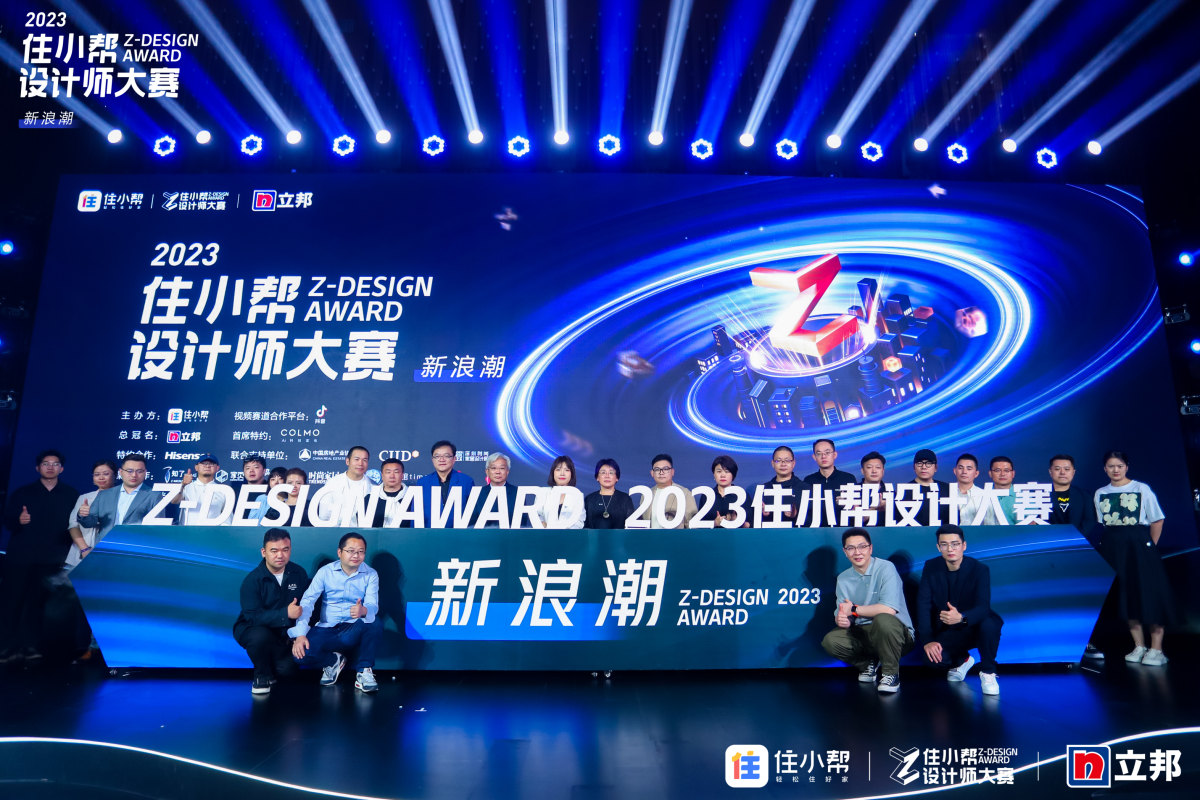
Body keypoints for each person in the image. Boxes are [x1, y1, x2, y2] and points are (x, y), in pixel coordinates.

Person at [1093, 451, 1173, 666]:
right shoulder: (1101, 492)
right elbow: (1103, 522)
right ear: (1105, 469)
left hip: (1139, 544)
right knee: (1126, 596)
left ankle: (1157, 649)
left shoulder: (1141, 488)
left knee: (1150, 594)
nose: (1115, 470)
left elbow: (1157, 520)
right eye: (1111, 466)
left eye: (1119, 466)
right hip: (1113, 546)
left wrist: (1149, 547)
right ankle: (1139, 645)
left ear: (1126, 467)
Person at [0, 450, 80, 663]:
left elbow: (75, 526)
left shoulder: (71, 494)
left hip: (51, 558)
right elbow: (7, 521)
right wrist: (19, 520)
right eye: (46, 463)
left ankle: (31, 646)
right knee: (11, 603)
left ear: (61, 468)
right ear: (38, 467)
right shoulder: (22, 493)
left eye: (55, 464)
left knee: (38, 605)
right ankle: (6, 647)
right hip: (20, 557)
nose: (50, 467)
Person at [821, 528, 915, 693]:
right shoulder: (843, 578)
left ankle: (891, 674)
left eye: (862, 546)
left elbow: (888, 609)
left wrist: (854, 610)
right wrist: (842, 620)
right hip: (864, 633)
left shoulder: (886, 568)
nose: (857, 552)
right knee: (830, 640)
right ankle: (867, 664)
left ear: (870, 548)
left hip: (897, 635)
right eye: (851, 548)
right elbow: (844, 613)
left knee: (883, 619)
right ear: (845, 552)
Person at [916, 524, 1003, 695]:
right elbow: (923, 604)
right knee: (933, 659)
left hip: (974, 624)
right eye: (944, 544)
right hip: (949, 628)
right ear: (938, 547)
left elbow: (983, 607)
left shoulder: (979, 570)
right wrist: (927, 640)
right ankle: (962, 660)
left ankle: (988, 672)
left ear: (964, 545)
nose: (950, 549)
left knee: (989, 623)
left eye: (955, 544)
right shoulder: (931, 567)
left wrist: (962, 617)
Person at [289, 532, 381, 692]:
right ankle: (333, 661)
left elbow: (373, 604)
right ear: (340, 552)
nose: (356, 555)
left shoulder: (371, 574)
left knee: (374, 621)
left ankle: (364, 671)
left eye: (360, 552)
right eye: (351, 551)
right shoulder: (325, 572)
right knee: (300, 655)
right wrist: (301, 633)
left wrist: (364, 610)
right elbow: (308, 602)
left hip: (352, 629)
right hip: (326, 629)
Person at [234, 528, 310, 694]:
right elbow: (252, 617)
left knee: (288, 671)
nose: (280, 555)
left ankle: (272, 669)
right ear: (264, 552)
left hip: (284, 634)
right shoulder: (253, 580)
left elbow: (307, 607)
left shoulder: (299, 573)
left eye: (285, 550)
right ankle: (261, 675)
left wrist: (299, 634)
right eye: (274, 551)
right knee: (259, 636)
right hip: (253, 629)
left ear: (290, 550)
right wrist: (285, 614)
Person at [75, 453, 167, 537]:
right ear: (120, 472)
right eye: (129, 471)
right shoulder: (104, 495)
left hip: (135, 546)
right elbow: (89, 523)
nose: (134, 475)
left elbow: (157, 529)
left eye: (139, 471)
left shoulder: (154, 496)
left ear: (145, 472)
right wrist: (83, 515)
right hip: (105, 545)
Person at [65, 459, 118, 572]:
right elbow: (73, 526)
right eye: (97, 474)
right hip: (82, 553)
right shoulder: (84, 498)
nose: (101, 478)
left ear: (116, 475)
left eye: (106, 474)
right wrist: (84, 549)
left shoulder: (122, 498)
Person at [414, 440, 476, 526]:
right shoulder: (423, 482)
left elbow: (473, 513)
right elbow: (416, 515)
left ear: (454, 459)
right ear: (432, 459)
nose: (441, 459)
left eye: (446, 456)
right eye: (437, 456)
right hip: (429, 532)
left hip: (458, 532)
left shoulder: (466, 481)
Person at [632, 454, 697, 529]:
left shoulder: (685, 493)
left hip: (675, 536)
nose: (661, 472)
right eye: (657, 469)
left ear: (672, 472)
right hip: (651, 536)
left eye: (665, 469)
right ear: (652, 473)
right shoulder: (646, 495)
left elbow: (692, 525)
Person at [804, 439, 856, 526]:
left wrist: (848, 504)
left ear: (834, 455)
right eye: (819, 453)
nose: (823, 456)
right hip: (816, 530)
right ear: (814, 457)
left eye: (827, 452)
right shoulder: (808, 480)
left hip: (843, 529)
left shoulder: (848, 478)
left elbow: (856, 510)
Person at [316, 446, 372, 525]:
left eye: (365, 460)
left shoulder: (373, 486)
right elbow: (323, 516)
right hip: (337, 530)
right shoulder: (333, 483)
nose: (360, 463)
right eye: (356, 459)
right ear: (347, 461)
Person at [172, 454, 230, 525]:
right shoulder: (186, 487)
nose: (207, 466)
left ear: (217, 468)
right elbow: (174, 501)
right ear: (196, 467)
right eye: (203, 463)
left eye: (211, 463)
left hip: (212, 531)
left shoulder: (223, 491)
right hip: (188, 531)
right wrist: (182, 485)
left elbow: (227, 520)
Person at [474, 452, 525, 528]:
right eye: (493, 468)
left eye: (502, 468)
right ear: (487, 472)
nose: (498, 472)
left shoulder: (518, 493)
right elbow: (472, 524)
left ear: (507, 472)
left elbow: (523, 523)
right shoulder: (478, 494)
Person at [583, 458, 635, 529]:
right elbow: (585, 525)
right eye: (603, 472)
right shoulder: (589, 499)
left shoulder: (625, 499)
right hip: (594, 536)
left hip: (619, 536)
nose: (607, 476)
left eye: (611, 473)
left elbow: (631, 526)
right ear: (597, 477)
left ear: (617, 478)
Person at [699, 455, 749, 528]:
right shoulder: (706, 496)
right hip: (712, 534)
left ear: (733, 475)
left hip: (736, 534)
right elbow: (700, 524)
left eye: (727, 471)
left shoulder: (742, 495)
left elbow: (750, 524)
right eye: (719, 471)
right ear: (714, 474)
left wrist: (737, 521)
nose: (722, 475)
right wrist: (714, 523)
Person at [538, 456, 585, 529]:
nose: (562, 473)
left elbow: (579, 522)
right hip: (546, 534)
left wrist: (563, 532)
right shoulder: (543, 493)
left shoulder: (577, 495)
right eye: (558, 469)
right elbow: (538, 517)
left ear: (571, 474)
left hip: (570, 535)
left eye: (567, 470)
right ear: (553, 473)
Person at [761, 446, 805, 524]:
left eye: (787, 460)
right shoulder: (763, 489)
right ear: (773, 463)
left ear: (793, 463)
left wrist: (796, 514)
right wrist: (763, 515)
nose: (783, 464)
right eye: (778, 461)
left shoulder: (805, 488)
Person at [911, 449, 951, 525]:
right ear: (914, 467)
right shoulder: (905, 490)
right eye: (919, 463)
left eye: (928, 463)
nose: (924, 467)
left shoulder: (947, 489)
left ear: (936, 467)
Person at [369, 459, 410, 528]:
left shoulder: (413, 499)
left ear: (402, 475)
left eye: (396, 472)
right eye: (388, 472)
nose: (392, 476)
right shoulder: (370, 498)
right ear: (382, 475)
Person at [950, 454, 988, 525]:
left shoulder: (984, 495)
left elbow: (990, 522)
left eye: (969, 469)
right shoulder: (946, 492)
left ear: (976, 473)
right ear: (955, 471)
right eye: (960, 468)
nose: (964, 472)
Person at [987, 456, 1018, 524]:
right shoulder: (981, 496)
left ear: (1013, 474)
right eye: (997, 470)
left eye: (1006, 470)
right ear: (990, 473)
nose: (1002, 474)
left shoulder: (1025, 497)